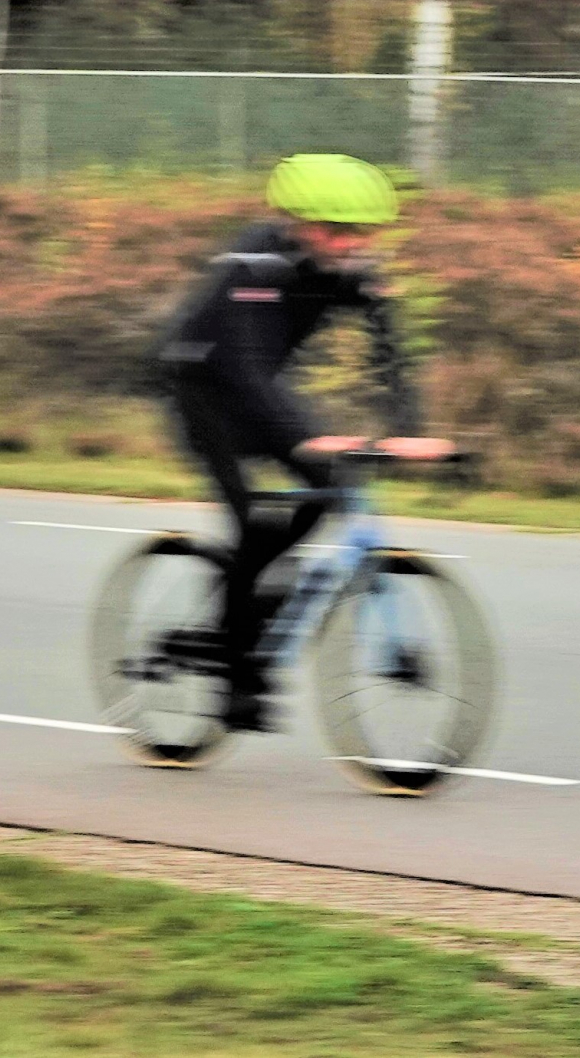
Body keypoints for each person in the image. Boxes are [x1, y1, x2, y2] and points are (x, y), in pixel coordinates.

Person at [156, 152, 422, 732]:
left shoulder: (349, 269)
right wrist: (306, 440)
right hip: (203, 391)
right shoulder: (252, 266)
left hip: (262, 389)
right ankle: (234, 676)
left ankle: (260, 594)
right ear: (295, 223)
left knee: (327, 493)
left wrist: (409, 428)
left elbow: (391, 353)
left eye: (363, 234)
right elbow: (244, 371)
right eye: (334, 231)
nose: (350, 244)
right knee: (254, 523)